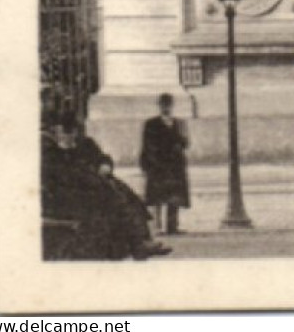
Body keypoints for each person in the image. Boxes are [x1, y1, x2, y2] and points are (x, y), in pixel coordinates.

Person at [42, 110, 167, 260]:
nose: (68, 136)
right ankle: (136, 244)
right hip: (70, 192)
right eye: (64, 131)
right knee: (111, 200)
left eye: (72, 131)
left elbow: (103, 158)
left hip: (95, 184)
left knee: (127, 196)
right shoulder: (51, 152)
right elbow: (57, 176)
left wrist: (105, 165)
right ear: (56, 131)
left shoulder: (86, 144)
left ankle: (142, 241)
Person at [139, 93, 190, 234]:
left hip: (175, 166)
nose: (165, 107)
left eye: (168, 104)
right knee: (157, 197)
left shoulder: (179, 123)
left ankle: (172, 226)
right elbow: (147, 145)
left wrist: (181, 135)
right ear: (159, 106)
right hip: (158, 165)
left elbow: (185, 143)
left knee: (174, 198)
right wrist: (149, 164)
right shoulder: (151, 124)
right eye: (163, 104)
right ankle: (158, 227)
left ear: (171, 106)